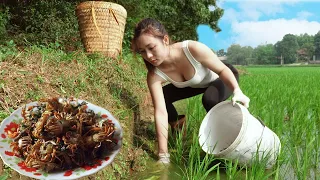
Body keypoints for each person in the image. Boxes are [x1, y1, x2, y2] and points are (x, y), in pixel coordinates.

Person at [131, 18, 250, 164]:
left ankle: (228, 139)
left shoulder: (191, 49)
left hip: (223, 77)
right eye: (142, 51)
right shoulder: (154, 75)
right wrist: (163, 155)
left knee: (209, 99)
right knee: (165, 96)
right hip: (196, 84)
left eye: (151, 47)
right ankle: (179, 129)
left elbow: (222, 69)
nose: (148, 56)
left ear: (165, 40)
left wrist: (237, 91)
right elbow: (160, 112)